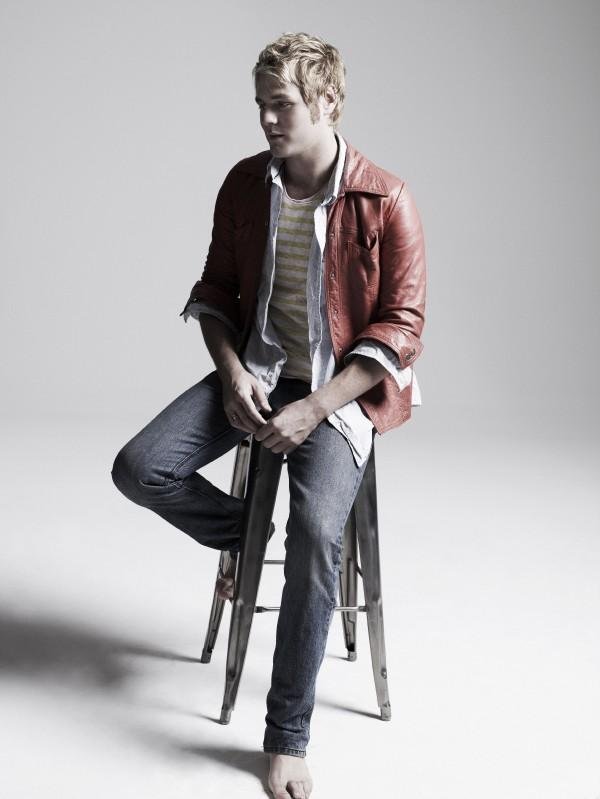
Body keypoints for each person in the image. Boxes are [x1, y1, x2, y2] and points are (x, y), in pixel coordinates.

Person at [111, 31, 426, 799]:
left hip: (338, 394)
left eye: (281, 104)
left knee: (316, 533)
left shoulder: (385, 198)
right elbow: (215, 291)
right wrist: (230, 377)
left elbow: (402, 327)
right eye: (260, 104)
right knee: (139, 467)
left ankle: (286, 738)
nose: (266, 119)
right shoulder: (246, 185)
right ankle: (250, 532)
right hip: (255, 374)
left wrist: (315, 406)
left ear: (328, 102)